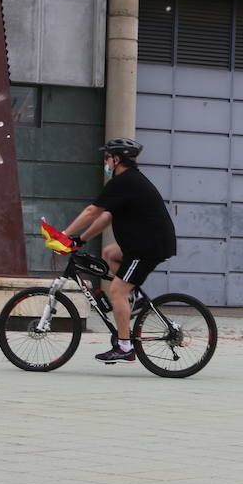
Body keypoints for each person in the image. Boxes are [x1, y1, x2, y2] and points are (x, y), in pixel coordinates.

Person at [62, 138, 177, 363]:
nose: (105, 162)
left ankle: (125, 348)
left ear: (116, 159)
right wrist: (81, 240)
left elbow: (92, 211)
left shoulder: (125, 181)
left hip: (146, 247)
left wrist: (64, 235)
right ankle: (134, 299)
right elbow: (106, 216)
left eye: (107, 158)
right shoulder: (128, 182)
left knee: (116, 292)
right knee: (109, 254)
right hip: (144, 244)